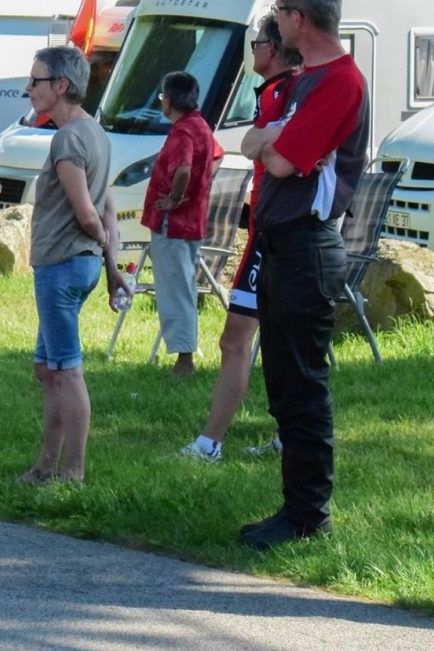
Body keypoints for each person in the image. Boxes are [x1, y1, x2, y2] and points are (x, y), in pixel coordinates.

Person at [237, 0, 369, 550]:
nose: (274, 22)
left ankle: (309, 513)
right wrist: (273, 144)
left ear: (299, 17)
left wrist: (274, 146)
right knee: (284, 386)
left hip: (308, 248)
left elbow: (285, 163)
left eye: (278, 11)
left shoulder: (340, 81)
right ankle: (297, 507)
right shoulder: (299, 81)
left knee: (303, 386)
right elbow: (251, 144)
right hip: (279, 245)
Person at [181, 15, 302, 462]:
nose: (252, 50)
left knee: (238, 341)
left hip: (272, 236)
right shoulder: (277, 90)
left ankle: (210, 443)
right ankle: (287, 434)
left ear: (272, 48)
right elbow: (256, 145)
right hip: (265, 232)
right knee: (268, 342)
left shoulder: (281, 91)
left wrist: (261, 141)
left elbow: (264, 151)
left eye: (256, 43)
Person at [17, 45, 126, 485]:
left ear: (60, 86)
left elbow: (89, 213)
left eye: (36, 81)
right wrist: (112, 264)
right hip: (72, 267)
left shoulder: (68, 139)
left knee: (66, 370)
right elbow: (110, 210)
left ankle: (72, 473)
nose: (29, 89)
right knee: (47, 369)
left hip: (63, 265)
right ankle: (46, 465)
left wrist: (100, 246)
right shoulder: (94, 132)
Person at [141, 71, 223, 377]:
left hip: (172, 224)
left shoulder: (182, 132)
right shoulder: (201, 126)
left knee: (174, 289)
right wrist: (201, 186)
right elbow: (217, 157)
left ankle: (184, 360)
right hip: (193, 221)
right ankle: (185, 352)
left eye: (163, 96)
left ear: (170, 100)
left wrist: (176, 198)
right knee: (183, 285)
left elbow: (183, 169)